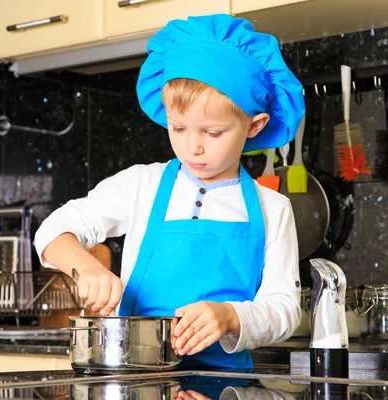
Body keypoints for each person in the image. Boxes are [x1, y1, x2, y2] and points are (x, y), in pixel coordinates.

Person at [34, 13, 305, 370]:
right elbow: (52, 231)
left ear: (254, 125)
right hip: (136, 381)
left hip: (224, 390)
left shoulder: (273, 208)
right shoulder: (142, 185)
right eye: (178, 128)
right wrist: (87, 268)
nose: (192, 147)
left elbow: (285, 308)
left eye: (212, 133)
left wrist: (229, 316)